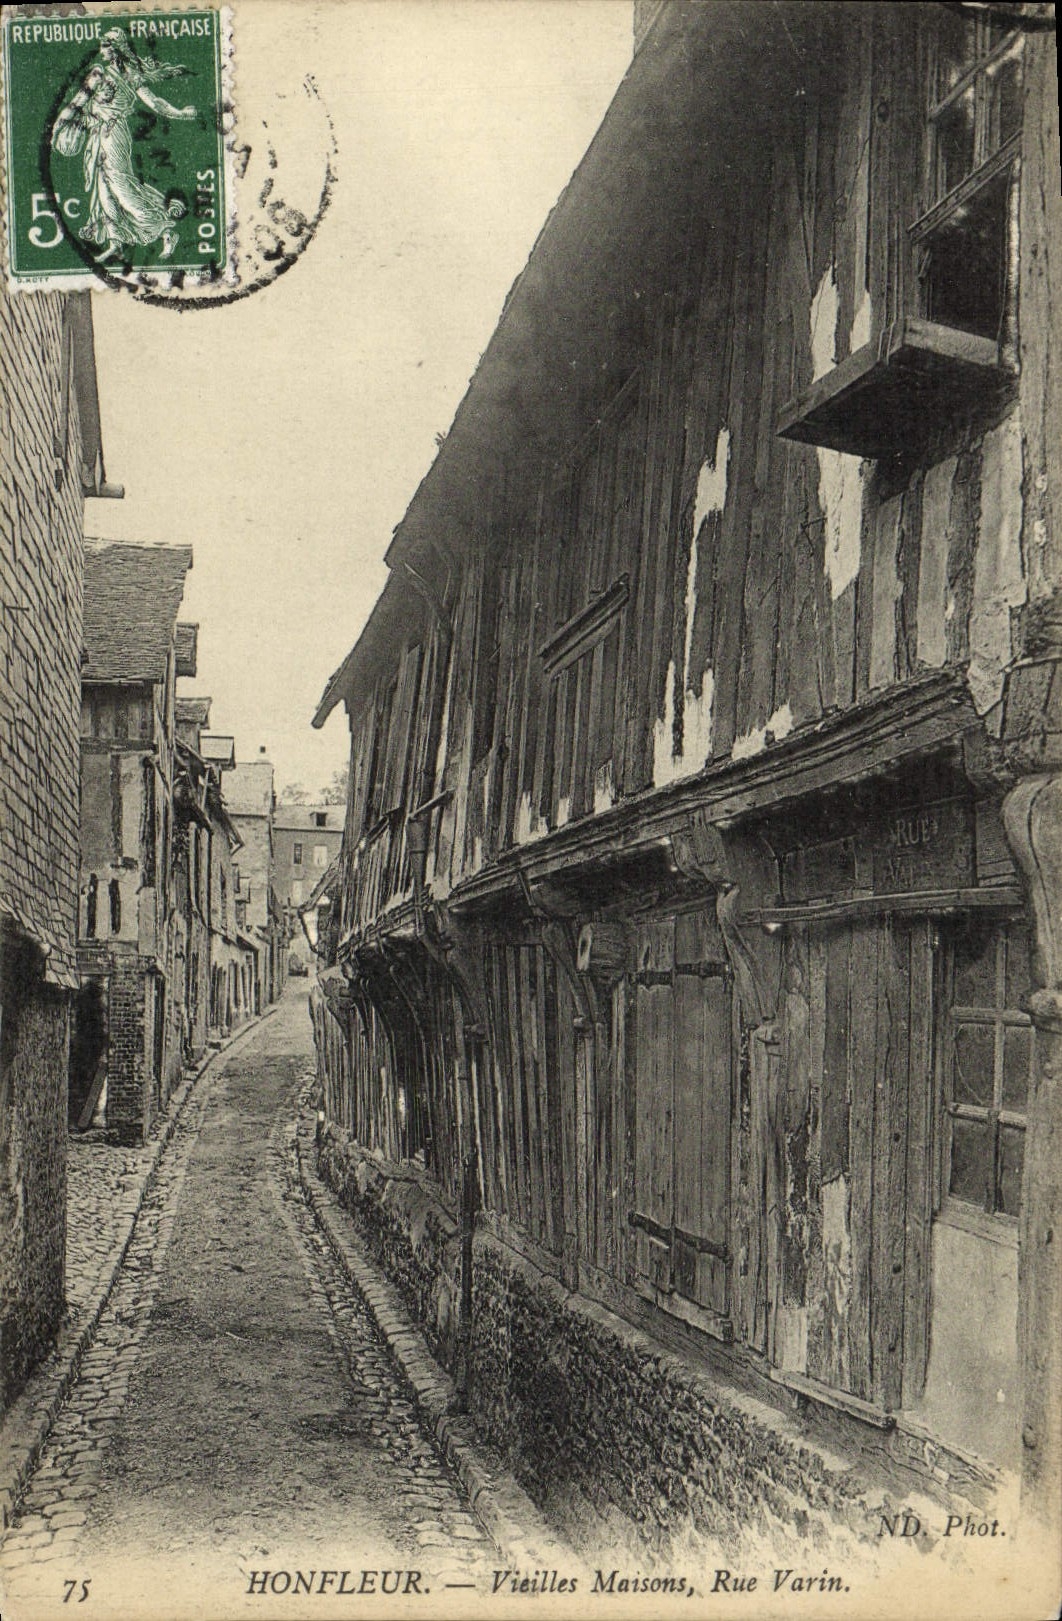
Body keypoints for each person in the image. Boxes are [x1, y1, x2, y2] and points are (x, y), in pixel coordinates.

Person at [51, 27, 196, 261]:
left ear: (115, 49)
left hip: (115, 133)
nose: (101, 52)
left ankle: (164, 231)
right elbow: (79, 102)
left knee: (120, 186)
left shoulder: (130, 75)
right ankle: (116, 241)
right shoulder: (98, 74)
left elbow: (155, 102)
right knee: (104, 190)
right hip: (97, 135)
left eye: (105, 47)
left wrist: (180, 113)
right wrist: (59, 126)